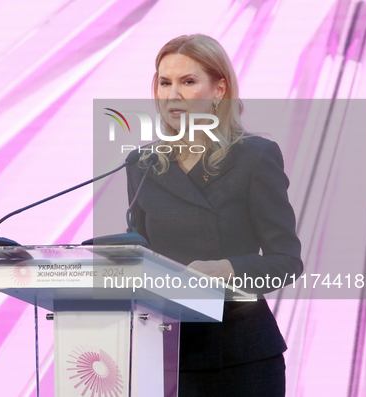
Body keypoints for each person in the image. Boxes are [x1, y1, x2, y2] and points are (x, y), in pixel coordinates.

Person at [125, 34, 303, 396]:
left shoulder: (255, 156)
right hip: (165, 354)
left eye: (188, 82)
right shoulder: (142, 163)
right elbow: (139, 254)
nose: (173, 94)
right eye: (165, 82)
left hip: (240, 357)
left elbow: (287, 261)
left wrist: (231, 270)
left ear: (219, 89)